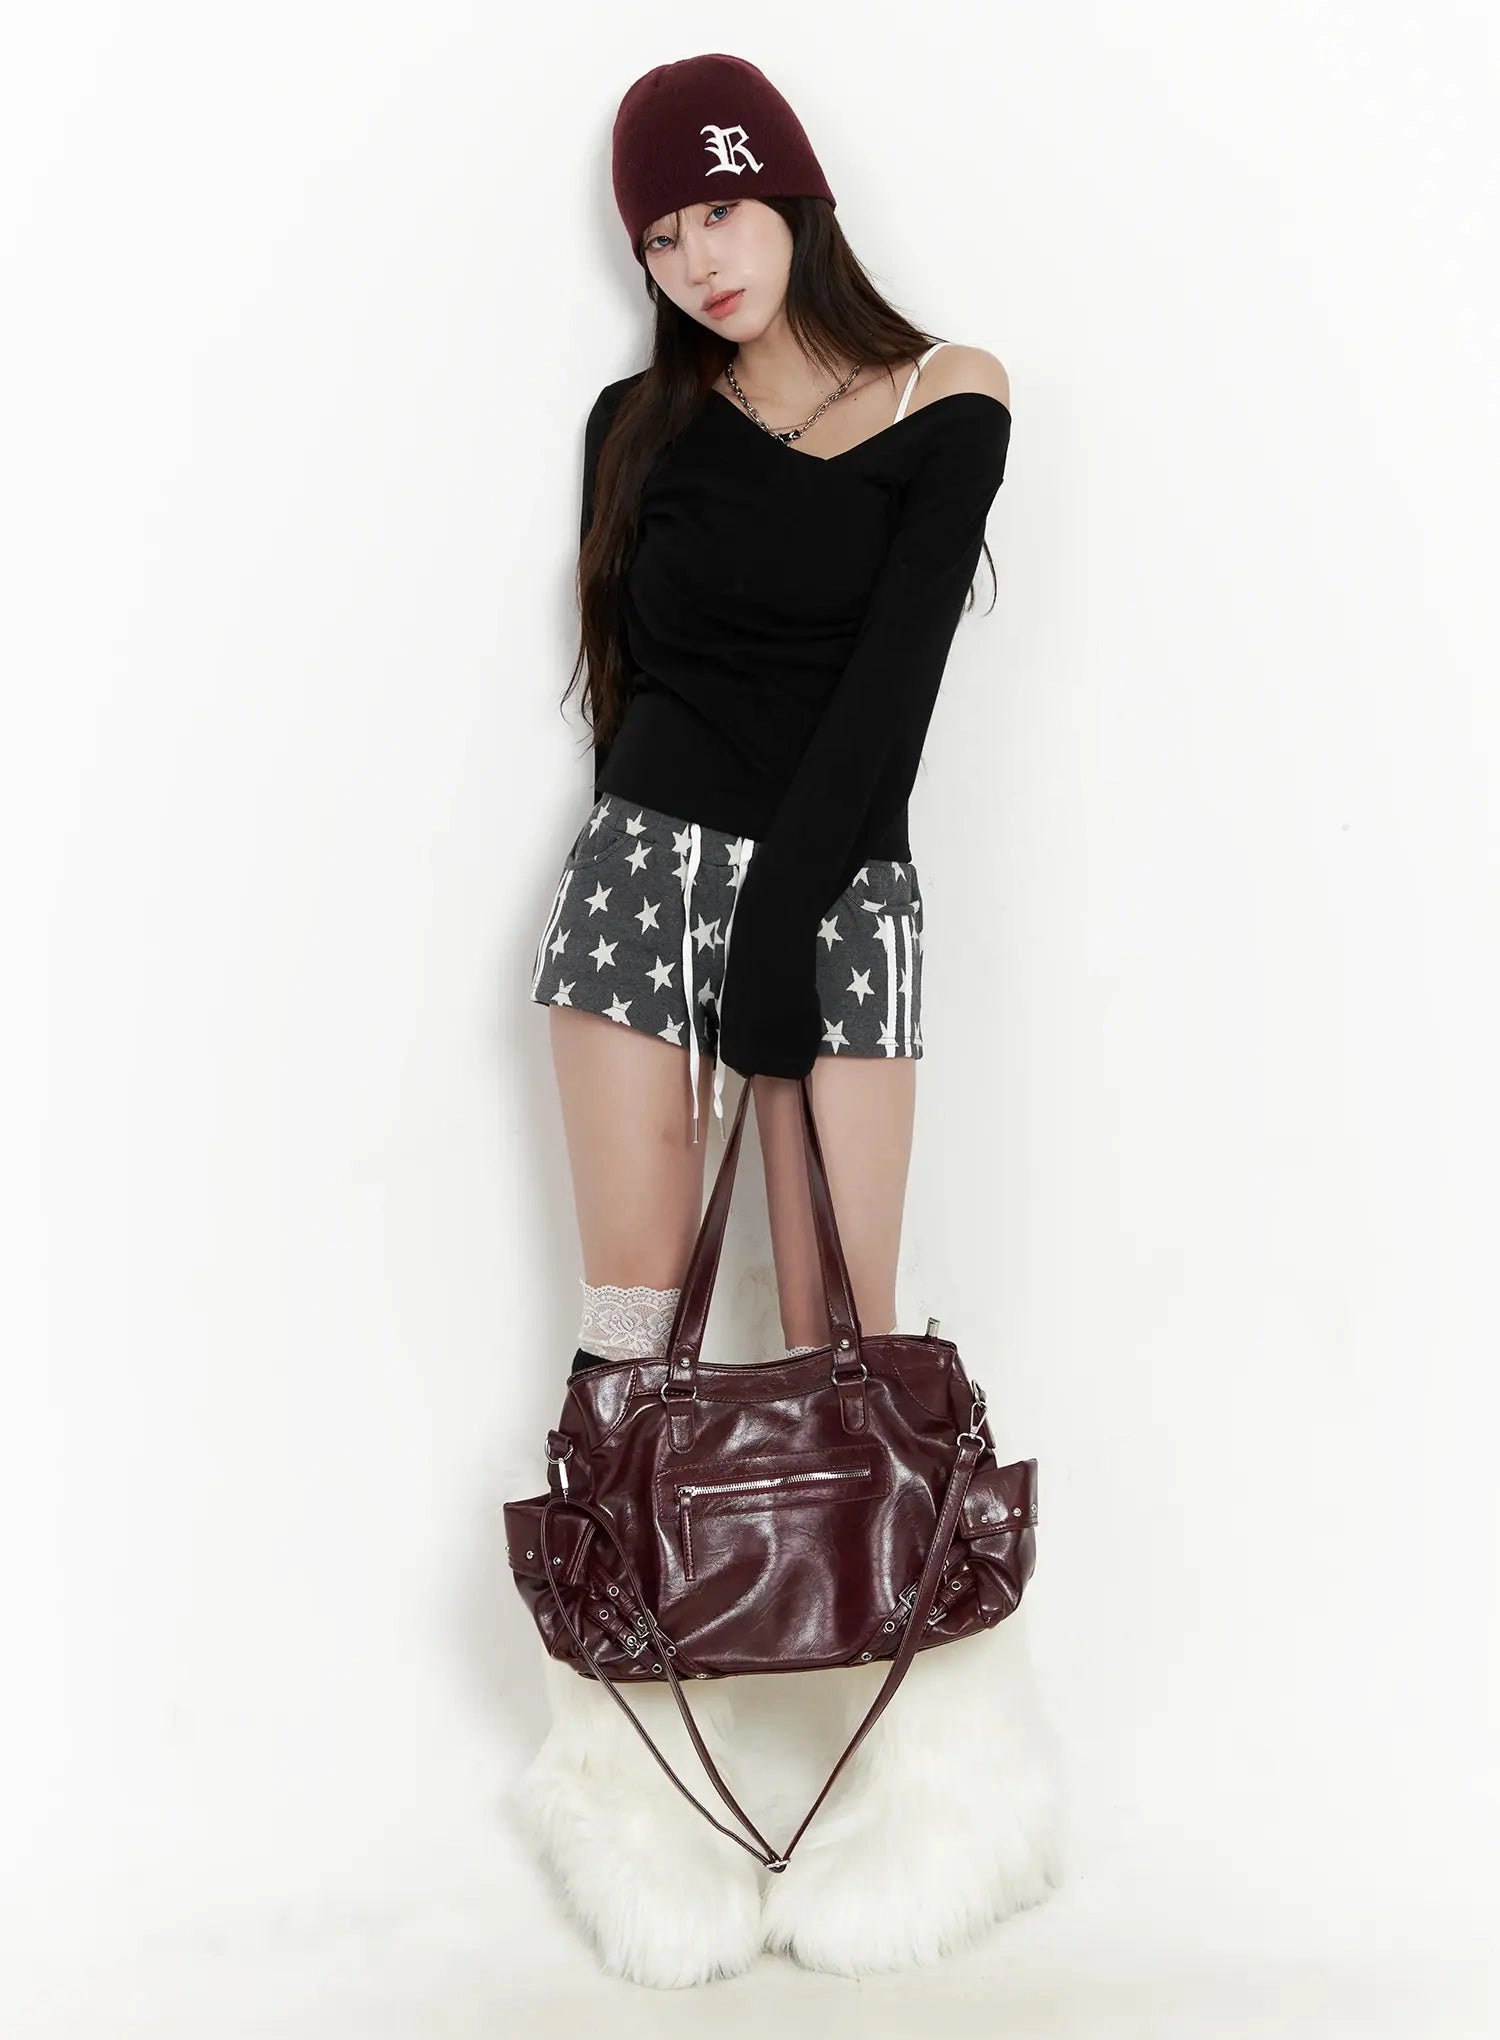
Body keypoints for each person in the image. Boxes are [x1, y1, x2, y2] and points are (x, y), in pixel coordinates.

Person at [515, 55, 1056, 1989]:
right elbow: (635, 683)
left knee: (855, 1351)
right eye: (658, 235)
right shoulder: (637, 420)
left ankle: (938, 1795)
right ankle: (627, 1794)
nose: (694, 259)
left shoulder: (949, 396)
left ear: (794, 198)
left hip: (843, 903)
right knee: (632, 1354)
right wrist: (683, 905)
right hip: (638, 889)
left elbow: (890, 696)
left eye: (719, 212)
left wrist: (780, 937)